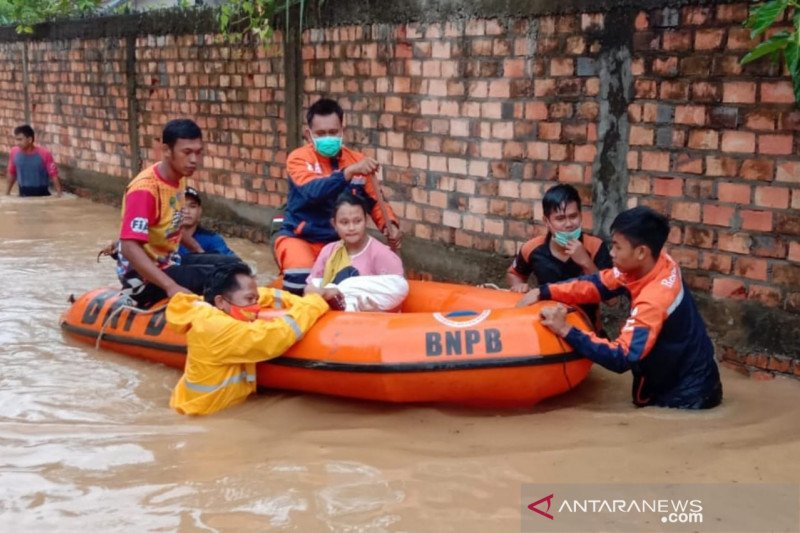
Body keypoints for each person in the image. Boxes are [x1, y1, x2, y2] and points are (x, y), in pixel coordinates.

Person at [518, 206, 722, 409]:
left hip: (687, 397)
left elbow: (622, 357)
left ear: (641, 252)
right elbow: (597, 284)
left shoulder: (654, 300)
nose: (612, 253)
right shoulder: (654, 262)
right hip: (682, 375)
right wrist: (543, 291)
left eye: (617, 247)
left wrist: (565, 329)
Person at [274, 98, 403, 294]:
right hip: (301, 238)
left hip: (341, 241)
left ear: (343, 130)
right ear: (309, 135)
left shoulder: (357, 160)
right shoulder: (298, 159)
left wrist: (389, 225)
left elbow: (376, 200)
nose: (328, 137)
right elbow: (312, 192)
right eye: (321, 133)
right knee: (301, 274)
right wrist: (347, 173)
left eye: (333, 132)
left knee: (357, 280)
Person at [166, 262, 330, 415]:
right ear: (220, 301)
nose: (256, 306)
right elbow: (275, 336)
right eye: (250, 299)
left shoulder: (212, 309)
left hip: (212, 411)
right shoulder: (216, 328)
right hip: (200, 416)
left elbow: (265, 294)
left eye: (255, 299)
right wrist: (314, 302)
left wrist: (298, 300)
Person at [117, 118, 236, 308]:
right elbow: (129, 246)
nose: (194, 160)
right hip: (143, 279)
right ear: (166, 150)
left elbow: (174, 226)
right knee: (228, 278)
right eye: (187, 152)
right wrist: (171, 286)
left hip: (171, 262)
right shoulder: (145, 190)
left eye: (198, 153)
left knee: (233, 265)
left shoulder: (178, 178)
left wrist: (200, 254)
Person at [507, 183, 612, 328]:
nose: (569, 224)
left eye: (573, 216)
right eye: (560, 219)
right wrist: (518, 286)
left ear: (581, 216)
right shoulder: (532, 248)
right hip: (547, 331)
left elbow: (612, 300)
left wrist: (586, 262)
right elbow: (514, 273)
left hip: (588, 332)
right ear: (547, 222)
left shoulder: (595, 246)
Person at [305, 192, 408, 312]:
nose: (351, 228)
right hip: (331, 321)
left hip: (371, 323)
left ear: (366, 221)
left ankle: (338, 292)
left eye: (357, 221)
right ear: (334, 224)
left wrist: (377, 312)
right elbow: (310, 287)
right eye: (344, 222)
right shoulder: (329, 251)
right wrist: (316, 291)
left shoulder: (381, 254)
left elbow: (397, 295)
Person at [177, 186, 238, 258]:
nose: (187, 211)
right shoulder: (165, 239)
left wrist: (200, 252)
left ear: (200, 210)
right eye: (181, 206)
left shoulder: (212, 240)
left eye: (192, 206)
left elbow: (235, 265)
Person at [5, 124, 62, 197]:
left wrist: (59, 194)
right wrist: (7, 193)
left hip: (42, 197)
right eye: (16, 139)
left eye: (20, 139)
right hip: (22, 195)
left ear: (30, 140)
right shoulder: (14, 152)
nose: (17, 143)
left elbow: (54, 175)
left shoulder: (44, 153)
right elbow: (11, 173)